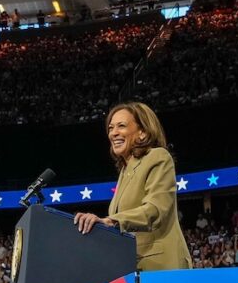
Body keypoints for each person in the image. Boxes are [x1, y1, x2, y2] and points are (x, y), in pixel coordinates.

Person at [73, 102, 191, 271]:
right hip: (132, 269)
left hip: (162, 267)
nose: (114, 133)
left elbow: (155, 209)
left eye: (121, 126)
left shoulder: (158, 157)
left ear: (142, 133)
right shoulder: (124, 171)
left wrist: (112, 220)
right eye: (111, 128)